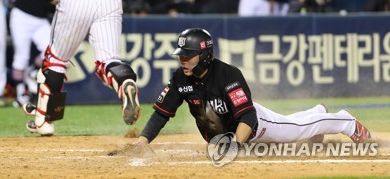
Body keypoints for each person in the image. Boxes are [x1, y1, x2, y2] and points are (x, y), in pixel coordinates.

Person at [135, 28, 371, 147]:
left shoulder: (228, 74)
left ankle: (345, 121)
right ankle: (318, 112)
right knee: (292, 122)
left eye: (189, 56)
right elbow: (161, 113)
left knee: (297, 130)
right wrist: (142, 142)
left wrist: (236, 146)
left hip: (254, 127)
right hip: (229, 136)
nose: (183, 60)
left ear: (205, 55)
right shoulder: (180, 78)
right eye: (181, 56)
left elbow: (247, 114)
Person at [22, 0, 140, 136]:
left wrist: (63, 3)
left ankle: (44, 121)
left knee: (56, 60)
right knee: (108, 60)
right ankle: (125, 83)